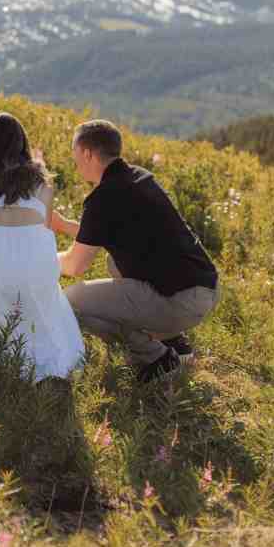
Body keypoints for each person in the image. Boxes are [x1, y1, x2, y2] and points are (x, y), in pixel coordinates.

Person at [59, 119, 220, 383]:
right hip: (204, 288)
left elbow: (76, 266)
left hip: (180, 302)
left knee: (71, 302)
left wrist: (39, 260)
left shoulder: (104, 197)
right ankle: (175, 344)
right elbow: (102, 235)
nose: (74, 163)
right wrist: (62, 225)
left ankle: (157, 358)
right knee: (114, 261)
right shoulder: (138, 178)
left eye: (75, 154)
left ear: (87, 153)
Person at [0, 111, 85, 381]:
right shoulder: (40, 179)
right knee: (45, 306)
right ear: (22, 141)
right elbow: (46, 225)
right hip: (31, 271)